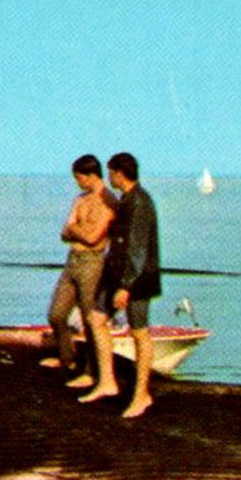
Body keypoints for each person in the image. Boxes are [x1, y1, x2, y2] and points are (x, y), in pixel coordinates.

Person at [81, 152, 162, 418]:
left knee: (139, 332)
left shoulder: (139, 202)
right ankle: (107, 382)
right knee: (95, 318)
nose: (109, 178)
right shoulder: (128, 200)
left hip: (136, 279)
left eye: (111, 172)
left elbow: (137, 252)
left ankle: (141, 395)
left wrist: (126, 286)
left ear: (118, 173)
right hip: (118, 274)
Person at [42, 155, 118, 386]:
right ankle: (67, 358)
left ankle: (91, 371)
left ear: (90, 176)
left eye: (78, 178)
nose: (77, 182)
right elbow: (65, 232)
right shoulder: (80, 199)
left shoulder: (108, 201)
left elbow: (94, 238)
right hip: (73, 259)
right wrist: (78, 230)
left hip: (93, 262)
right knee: (56, 314)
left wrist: (76, 229)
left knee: (89, 318)